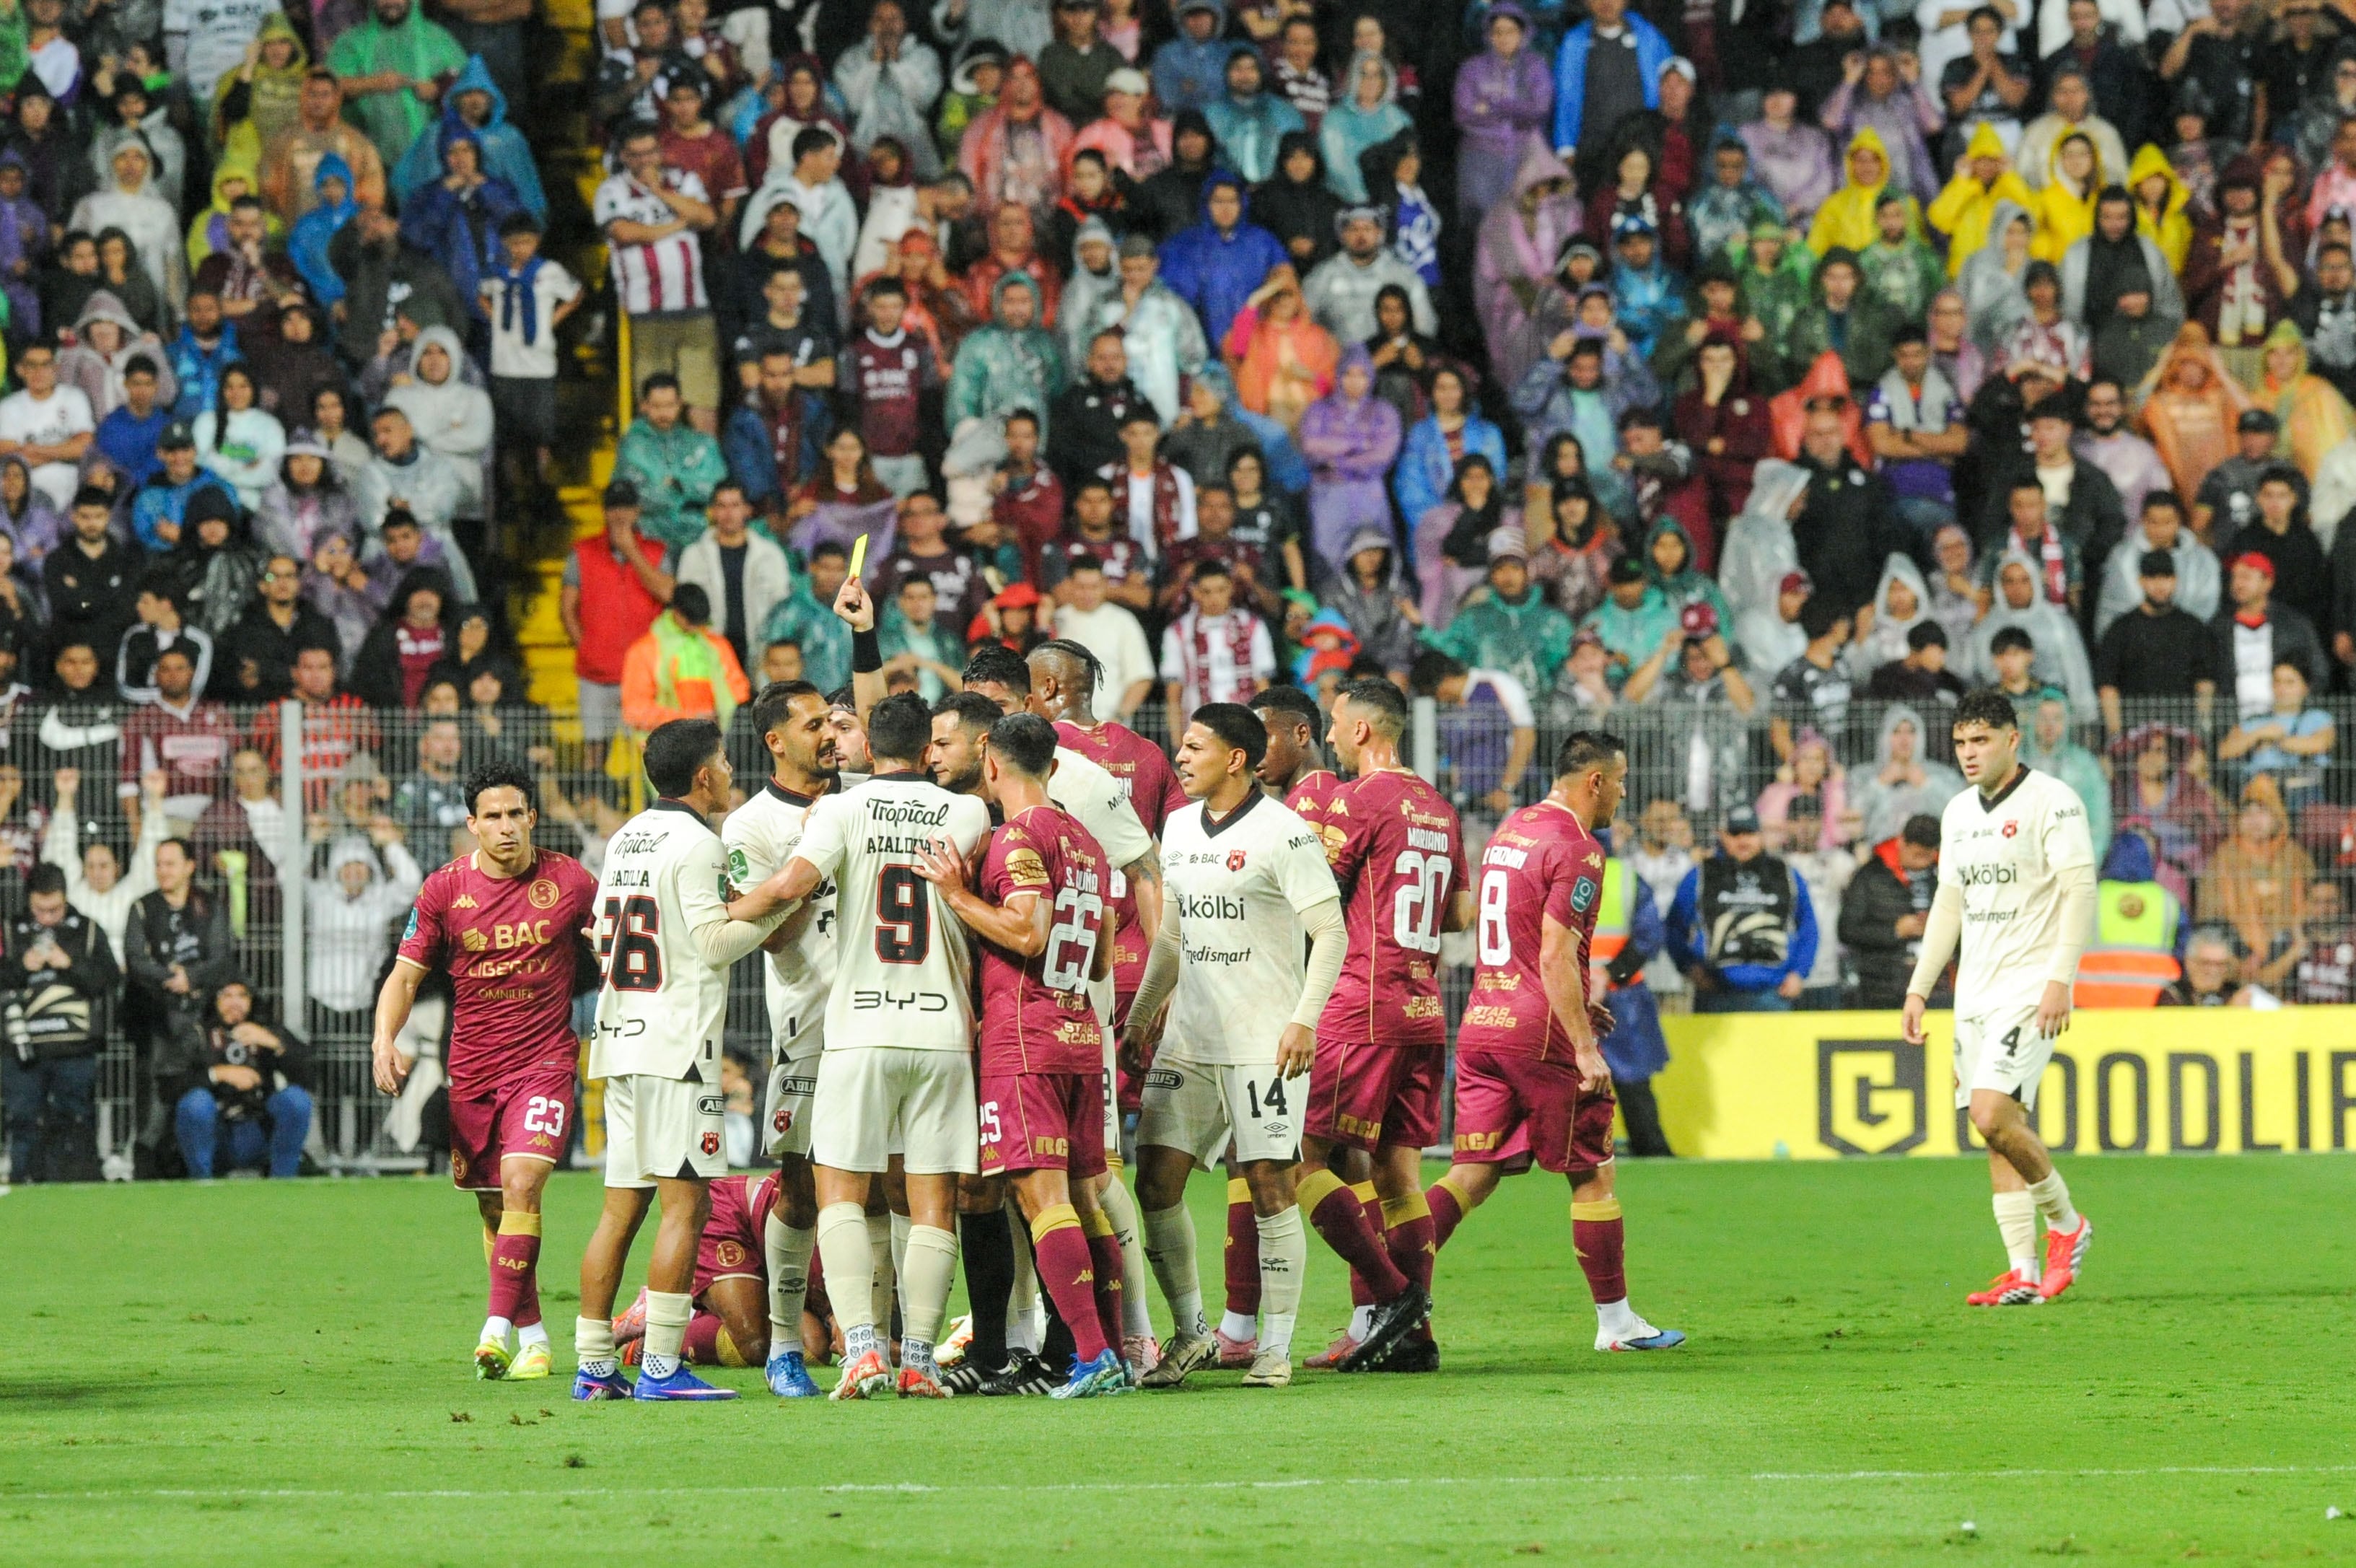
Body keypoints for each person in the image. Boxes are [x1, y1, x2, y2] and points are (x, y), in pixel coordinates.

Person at [750, 693, 991, 1399]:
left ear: (868, 747)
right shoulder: (966, 812)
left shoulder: (840, 809)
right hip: (941, 1030)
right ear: (926, 750)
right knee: (931, 1199)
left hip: (859, 1029)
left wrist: (725, 916)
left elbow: (793, 884)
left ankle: (861, 1350)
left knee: (841, 1193)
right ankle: (919, 1358)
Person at [1413, 728, 1684, 1356]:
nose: (1621, 794)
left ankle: (1388, 1290)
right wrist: (1583, 1044)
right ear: (1595, 780)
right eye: (1620, 782)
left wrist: (1577, 1005)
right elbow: (1555, 953)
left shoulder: (1512, 829)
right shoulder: (1578, 847)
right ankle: (1616, 1324)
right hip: (1540, 1033)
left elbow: (1515, 932)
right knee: (1592, 1170)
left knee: (1471, 1171)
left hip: (1484, 1020)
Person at [572, 719, 802, 1401]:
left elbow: (614, 933)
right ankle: (661, 1367)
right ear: (703, 775)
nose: (731, 772)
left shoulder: (625, 837)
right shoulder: (701, 844)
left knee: (620, 1210)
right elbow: (713, 942)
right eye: (725, 762)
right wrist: (778, 905)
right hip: (676, 1048)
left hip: (620, 1040)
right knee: (687, 1206)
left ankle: (592, 1367)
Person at [1121, 701, 1345, 1389]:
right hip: (1188, 1040)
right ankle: (1193, 1332)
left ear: (1236, 758)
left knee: (1270, 1183)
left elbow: (1330, 931)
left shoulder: (1285, 832)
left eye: (1194, 747)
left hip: (1263, 1044)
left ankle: (1273, 1346)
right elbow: (1172, 936)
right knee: (1154, 1181)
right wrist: (1141, 1016)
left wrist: (1304, 1019)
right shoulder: (1178, 826)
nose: (1180, 757)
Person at [911, 711, 1130, 1398]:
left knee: (1041, 1198)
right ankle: (1111, 1350)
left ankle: (1091, 1357)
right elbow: (1100, 957)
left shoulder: (1016, 837)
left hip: (1025, 1038)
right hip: (1079, 1034)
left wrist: (955, 894)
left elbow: (1028, 933)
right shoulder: (1086, 842)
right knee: (1085, 1201)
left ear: (991, 763)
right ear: (1053, 766)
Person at [1287, 679, 1467, 1372]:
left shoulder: (1358, 799)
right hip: (1422, 1005)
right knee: (1397, 1177)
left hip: (1361, 1004)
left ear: (1362, 730)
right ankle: (1413, 1338)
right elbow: (1457, 915)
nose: (1330, 736)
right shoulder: (1438, 806)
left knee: (1299, 1157)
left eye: (1336, 724)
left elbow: (1316, 889)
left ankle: (1395, 1298)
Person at [1903, 688, 2096, 1307]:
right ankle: (2022, 1270)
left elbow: (2079, 890)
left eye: (1980, 740)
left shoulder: (2052, 801)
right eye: (1960, 742)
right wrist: (1919, 986)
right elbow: (1948, 904)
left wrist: (2060, 978)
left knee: (1989, 1112)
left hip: (2029, 986)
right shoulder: (1958, 812)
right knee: (1994, 1129)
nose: (1968, 752)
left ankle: (2066, 1222)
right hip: (1974, 991)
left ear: (2012, 740)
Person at [717, 674, 849, 1398]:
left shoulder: (863, 797)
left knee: (892, 1183)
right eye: (812, 724)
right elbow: (767, 933)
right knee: (798, 1187)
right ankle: (784, 1347)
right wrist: (815, 859)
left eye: (831, 722)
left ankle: (878, 1341)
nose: (828, 734)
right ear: (775, 740)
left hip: (883, 1021)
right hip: (806, 1022)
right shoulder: (751, 825)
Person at [0, 863, 119, 1184]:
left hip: (74, 1050)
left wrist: (70, 964)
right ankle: (24, 1188)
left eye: (54, 909)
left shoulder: (87, 930)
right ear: (29, 901)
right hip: (22, 1051)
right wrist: (20, 966)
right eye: (40, 910)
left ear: (66, 898)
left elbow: (109, 980)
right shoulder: (9, 931)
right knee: (24, 1121)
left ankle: (79, 1187)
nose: (47, 917)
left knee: (76, 1120)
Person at [1667, 804, 1819, 1012]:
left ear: (1760, 835)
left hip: (1774, 993)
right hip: (1715, 994)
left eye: (1750, 833)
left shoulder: (1785, 873)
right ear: (1722, 835)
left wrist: (1799, 973)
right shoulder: (1701, 875)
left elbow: (1809, 926)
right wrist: (1690, 968)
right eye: (1735, 833)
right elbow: (1674, 927)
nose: (1743, 840)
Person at [1842, 813, 1944, 1009]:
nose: (1923, 862)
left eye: (1928, 855)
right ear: (1901, 843)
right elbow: (1847, 929)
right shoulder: (1870, 876)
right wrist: (1895, 931)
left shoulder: (1945, 875)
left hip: (1938, 985)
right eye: (1917, 855)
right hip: (1882, 987)